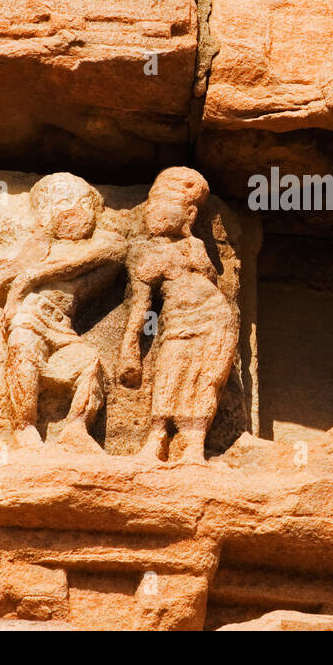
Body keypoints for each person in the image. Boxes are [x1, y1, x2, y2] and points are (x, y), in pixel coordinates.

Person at [0, 174, 125, 448]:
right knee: (23, 355)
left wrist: (33, 276)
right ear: (45, 213)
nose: (75, 209)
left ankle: (76, 430)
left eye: (83, 202)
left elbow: (105, 255)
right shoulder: (39, 246)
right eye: (63, 202)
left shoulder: (105, 243)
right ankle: (25, 428)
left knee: (89, 363)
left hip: (61, 325)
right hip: (29, 316)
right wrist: (24, 265)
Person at [119, 168, 238, 464]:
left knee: (205, 379)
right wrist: (130, 347)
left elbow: (212, 278)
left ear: (189, 214)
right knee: (169, 375)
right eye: (152, 204)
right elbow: (141, 305)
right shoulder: (146, 254)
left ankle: (195, 445)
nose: (154, 212)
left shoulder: (195, 246)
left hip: (216, 319)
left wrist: (201, 262)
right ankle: (156, 439)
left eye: (164, 205)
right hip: (178, 324)